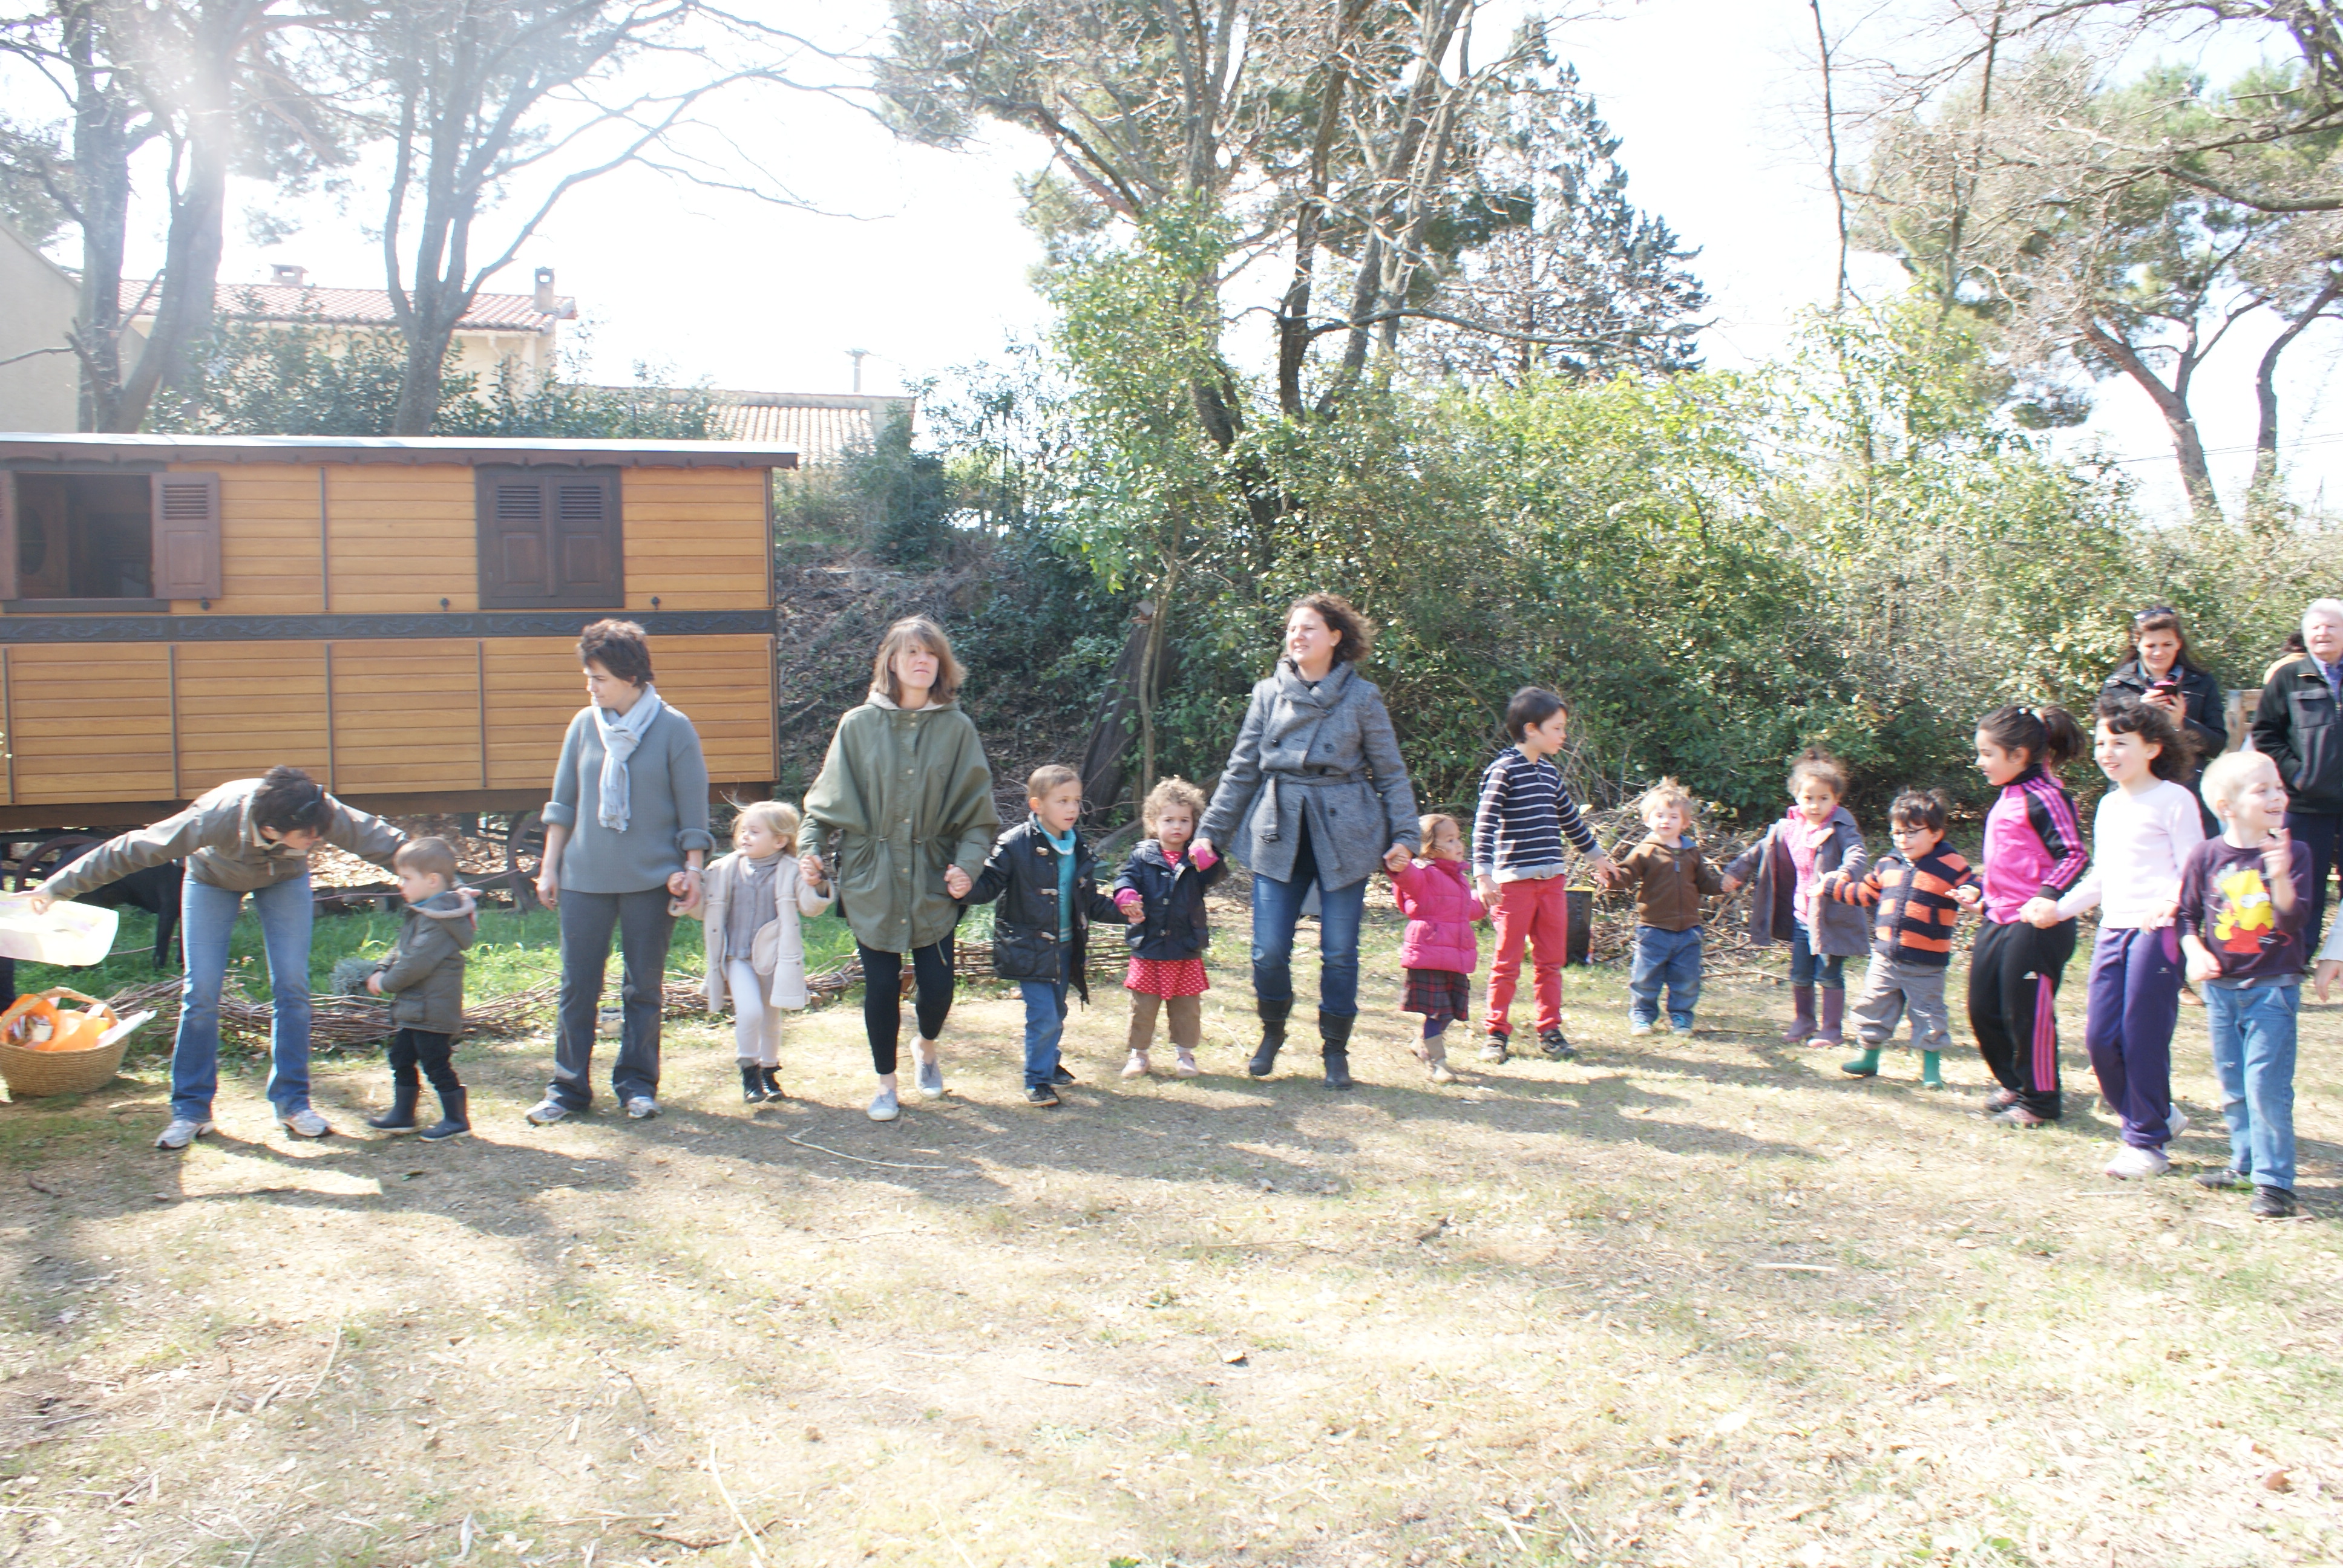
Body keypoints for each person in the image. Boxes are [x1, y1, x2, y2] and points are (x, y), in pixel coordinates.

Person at [31, 766, 406, 1149]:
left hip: (284, 878)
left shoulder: (314, 808)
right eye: (308, 837)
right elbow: (131, 849)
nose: (317, 840)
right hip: (211, 879)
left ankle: (293, 1103)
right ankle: (190, 1110)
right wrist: (57, 887)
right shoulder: (215, 815)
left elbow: (378, 838)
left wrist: (436, 878)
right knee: (202, 991)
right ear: (271, 828)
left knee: (292, 984)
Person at [1194, 593, 1420, 1091]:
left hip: (1345, 832)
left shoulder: (1363, 697)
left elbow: (1390, 773)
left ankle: (1335, 1050)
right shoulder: (1266, 694)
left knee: (1339, 952)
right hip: (1279, 829)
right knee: (1268, 951)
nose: (1297, 636)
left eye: (1310, 627)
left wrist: (1406, 836)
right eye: (1293, 628)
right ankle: (1272, 1031)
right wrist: (1210, 832)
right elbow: (1241, 770)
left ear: (1336, 637)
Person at [801, 615, 999, 1122]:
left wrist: (967, 866)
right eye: (911, 652)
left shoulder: (957, 729)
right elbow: (822, 808)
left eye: (930, 653)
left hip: (934, 877)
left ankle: (926, 1047)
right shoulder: (857, 725)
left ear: (941, 664)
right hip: (872, 877)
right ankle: (885, 1084)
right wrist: (810, 849)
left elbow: (978, 820)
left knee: (938, 987)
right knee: (883, 986)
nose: (921, 661)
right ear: (891, 662)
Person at [526, 619, 712, 1127]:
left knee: (642, 989)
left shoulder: (674, 728)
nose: (591, 687)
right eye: (589, 677)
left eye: (600, 678)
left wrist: (693, 872)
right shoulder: (583, 726)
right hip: (583, 879)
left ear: (631, 677)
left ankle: (637, 1085)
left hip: (651, 881)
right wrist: (548, 868)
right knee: (577, 987)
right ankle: (567, 1089)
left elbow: (694, 814)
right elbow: (562, 805)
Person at [2054, 696, 2205, 1177]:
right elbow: (2101, 877)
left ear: (2153, 748)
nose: (2107, 752)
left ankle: (2145, 1144)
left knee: (2142, 1037)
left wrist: (2171, 903)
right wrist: (2057, 909)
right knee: (2100, 1040)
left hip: (2157, 931)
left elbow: (2195, 869)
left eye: (2120, 743)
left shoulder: (2175, 800)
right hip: (2112, 930)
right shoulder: (2108, 805)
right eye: (2101, 743)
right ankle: (2157, 1115)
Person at [2181, 751, 2308, 1220]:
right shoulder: (2206, 856)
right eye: (2263, 790)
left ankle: (2275, 1184)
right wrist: (2194, 952)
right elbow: (2186, 915)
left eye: (2279, 788)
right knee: (2234, 1084)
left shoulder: (2294, 852)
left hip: (2272, 989)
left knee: (2265, 1085)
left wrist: (2280, 874)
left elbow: (2293, 921)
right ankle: (2245, 1164)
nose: (2278, 797)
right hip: (2221, 991)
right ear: (2226, 806)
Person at [1469, 688, 1617, 1063]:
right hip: (1513, 885)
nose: (1564, 735)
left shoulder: (1549, 774)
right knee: (1507, 962)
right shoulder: (1503, 771)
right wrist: (1483, 876)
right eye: (1558, 728)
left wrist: (1599, 858)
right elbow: (1484, 825)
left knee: (1551, 961)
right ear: (1531, 729)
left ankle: (1550, 1030)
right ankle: (1495, 1033)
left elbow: (1571, 822)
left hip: (1552, 883)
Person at [965, 765, 1126, 1108]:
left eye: (1077, 801)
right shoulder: (1015, 844)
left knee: (1057, 1011)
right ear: (1037, 805)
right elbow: (989, 885)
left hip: (1066, 947)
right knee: (1044, 1016)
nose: (1072, 808)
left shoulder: (1077, 844)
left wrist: (1126, 913)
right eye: (1062, 801)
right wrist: (963, 887)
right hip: (1029, 948)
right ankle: (1036, 1080)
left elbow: (1090, 901)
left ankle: (1049, 1065)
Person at [1967, 706, 2092, 1128]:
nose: (1980, 762)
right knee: (1983, 1007)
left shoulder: (2046, 796)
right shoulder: (2008, 794)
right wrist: (1982, 891)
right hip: (1998, 917)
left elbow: (2074, 854)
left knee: (2027, 1012)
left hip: (2037, 925)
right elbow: (2015, 858)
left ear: (2019, 755)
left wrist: (2046, 897)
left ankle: (2040, 1101)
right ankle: (2015, 1083)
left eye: (1988, 754)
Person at [1820, 789, 1979, 1086]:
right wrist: (1831, 888)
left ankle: (1931, 1070)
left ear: (1936, 834)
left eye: (1911, 832)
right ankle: (1868, 1058)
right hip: (1885, 958)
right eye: (1896, 832)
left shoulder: (1951, 863)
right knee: (1874, 1006)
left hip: (1926, 963)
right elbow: (1864, 894)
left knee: (1929, 1014)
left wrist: (1971, 892)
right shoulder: (1887, 864)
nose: (1902, 839)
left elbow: (1973, 882)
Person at [1720, 750, 1869, 1049]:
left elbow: (1857, 852)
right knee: (1800, 973)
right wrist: (1735, 872)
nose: (1815, 805)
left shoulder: (1841, 827)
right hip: (1802, 916)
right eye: (1808, 798)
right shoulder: (1788, 828)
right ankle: (1804, 1020)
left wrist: (1844, 873)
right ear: (1796, 797)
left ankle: (1831, 1028)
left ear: (1836, 799)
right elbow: (1757, 851)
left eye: (1823, 798)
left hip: (1832, 917)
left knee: (1829, 974)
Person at [700, 800, 833, 1104]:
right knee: (750, 1012)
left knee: (771, 1019)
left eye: (755, 831)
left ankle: (769, 1073)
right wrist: (688, 891)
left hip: (774, 958)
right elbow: (700, 910)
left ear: (780, 841)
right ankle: (749, 1071)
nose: (745, 836)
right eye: (743, 830)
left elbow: (811, 907)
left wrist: (818, 883)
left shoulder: (791, 870)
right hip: (737, 957)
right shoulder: (722, 869)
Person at [363, 837, 478, 1142]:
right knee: (401, 1056)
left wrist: (386, 983)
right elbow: (402, 949)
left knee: (435, 1063)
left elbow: (416, 962)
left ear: (432, 881)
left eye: (406, 878)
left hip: (432, 1010)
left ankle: (456, 1119)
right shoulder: (424, 912)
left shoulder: (439, 921)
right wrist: (381, 967)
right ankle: (403, 1115)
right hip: (417, 1008)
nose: (400, 884)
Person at [1112, 777, 1227, 1081]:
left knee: (1187, 1007)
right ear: (1153, 822)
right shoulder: (1141, 855)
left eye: (1184, 820)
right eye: (1169, 820)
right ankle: (1138, 1055)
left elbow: (1215, 876)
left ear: (1195, 823)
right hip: (1148, 946)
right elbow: (1125, 878)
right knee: (1143, 1006)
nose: (1177, 827)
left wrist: (1210, 857)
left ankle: (1185, 1054)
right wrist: (1125, 895)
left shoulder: (1195, 858)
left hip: (1185, 946)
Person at [2249, 599, 2343, 952]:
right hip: (2305, 804)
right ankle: (2297, 962)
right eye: (2316, 627)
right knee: (2304, 889)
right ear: (2305, 635)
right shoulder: (2288, 678)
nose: (2323, 633)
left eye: (2332, 626)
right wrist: (2297, 775)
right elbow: (2265, 735)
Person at [1607, 779, 1725, 1037]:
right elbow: (1626, 875)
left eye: (1673, 816)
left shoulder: (1692, 852)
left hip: (1688, 930)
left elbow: (1705, 883)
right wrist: (1611, 879)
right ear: (1647, 819)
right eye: (1659, 815)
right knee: (1646, 978)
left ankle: (1681, 1018)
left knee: (1686, 980)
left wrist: (1723, 884)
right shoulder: (1645, 851)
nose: (1666, 821)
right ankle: (1642, 1017)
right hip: (1653, 929)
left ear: (1685, 823)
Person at [2101, 606, 2226, 832]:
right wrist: (2139, 711)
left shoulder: (2202, 683)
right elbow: (2106, 741)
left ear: (2179, 643)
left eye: (2167, 644)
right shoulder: (2117, 686)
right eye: (2151, 646)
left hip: (2189, 789)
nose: (2159, 653)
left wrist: (2181, 723)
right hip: (2133, 791)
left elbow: (2217, 745)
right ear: (2137, 643)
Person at [1392, 812, 1484, 1083]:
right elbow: (1407, 877)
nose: (1458, 845)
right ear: (1430, 847)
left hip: (1455, 956)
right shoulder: (1423, 873)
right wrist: (1399, 864)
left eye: (1458, 838)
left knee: (1452, 1009)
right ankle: (1437, 1062)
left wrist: (1487, 901)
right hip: (1429, 954)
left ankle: (1423, 1042)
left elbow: (1466, 909)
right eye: (1450, 840)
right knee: (1437, 1011)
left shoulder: (1458, 877)